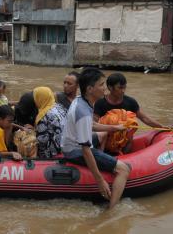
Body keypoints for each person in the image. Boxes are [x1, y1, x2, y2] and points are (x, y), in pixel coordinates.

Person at [61, 68, 131, 209]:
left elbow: (91, 125)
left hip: (72, 142)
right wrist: (100, 180)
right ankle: (111, 210)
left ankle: (103, 157)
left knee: (103, 133)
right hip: (74, 151)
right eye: (101, 85)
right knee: (124, 169)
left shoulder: (81, 100)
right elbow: (86, 150)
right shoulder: (83, 112)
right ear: (90, 89)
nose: (105, 88)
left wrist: (115, 128)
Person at [94, 73, 164, 128]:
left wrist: (162, 127)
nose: (123, 91)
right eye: (120, 88)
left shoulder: (130, 102)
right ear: (110, 87)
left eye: (124, 87)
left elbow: (144, 118)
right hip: (106, 136)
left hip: (125, 138)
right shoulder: (100, 103)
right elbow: (94, 123)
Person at [33, 86, 66, 158]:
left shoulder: (43, 115)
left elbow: (42, 140)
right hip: (66, 145)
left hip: (53, 151)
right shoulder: (59, 107)